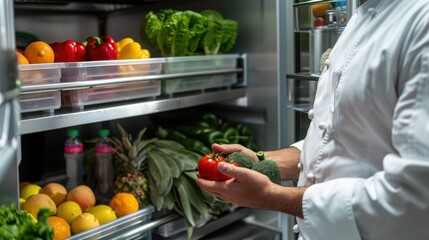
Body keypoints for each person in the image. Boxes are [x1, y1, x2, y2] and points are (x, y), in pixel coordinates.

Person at [196, 0, 429, 239]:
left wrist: (271, 196)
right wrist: (263, 161)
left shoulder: (421, 21)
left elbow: (414, 201)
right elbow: (338, 138)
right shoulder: (362, 16)